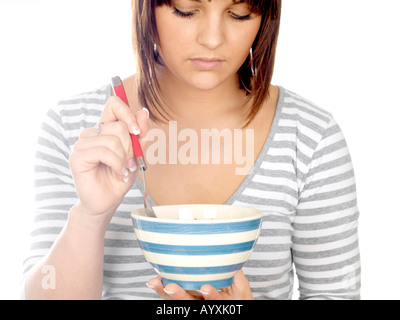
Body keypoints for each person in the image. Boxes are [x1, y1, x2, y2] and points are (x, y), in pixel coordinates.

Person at [22, 0, 361, 300]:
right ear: (147, 8)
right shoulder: (75, 128)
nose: (213, 39)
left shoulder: (311, 136)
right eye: (186, 9)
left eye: (239, 13)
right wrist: (90, 216)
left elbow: (336, 293)